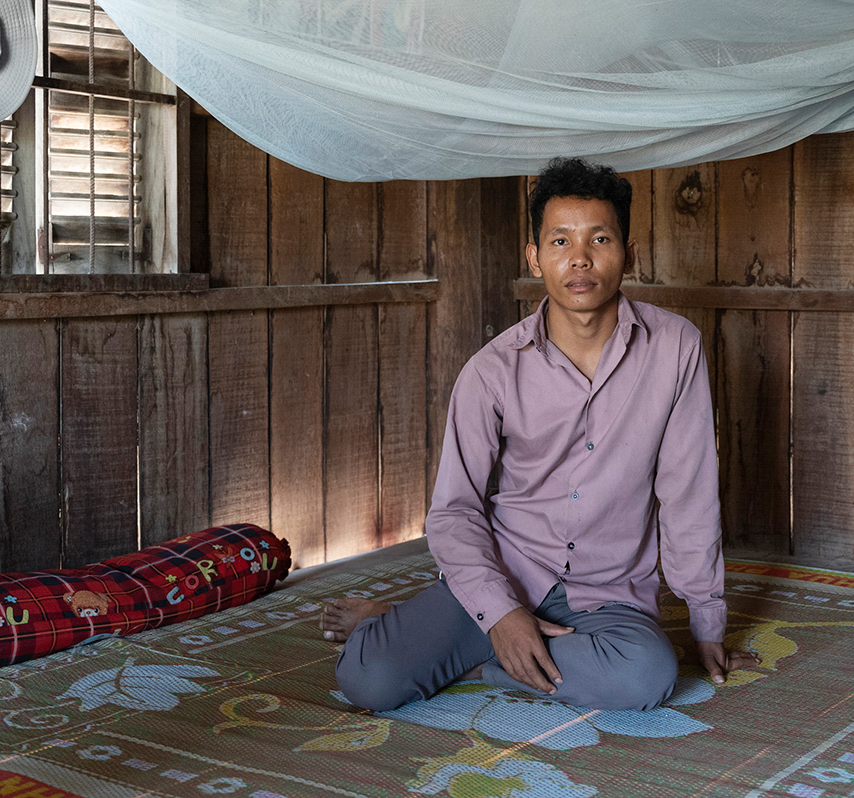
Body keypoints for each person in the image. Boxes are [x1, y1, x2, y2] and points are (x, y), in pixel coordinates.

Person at [321, 157, 760, 713]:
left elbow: (688, 494)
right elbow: (454, 512)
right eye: (559, 241)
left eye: (599, 238)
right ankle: (448, 630)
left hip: (608, 595)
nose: (579, 258)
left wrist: (706, 622)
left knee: (646, 676)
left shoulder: (676, 348)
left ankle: (482, 658)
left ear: (629, 250)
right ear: (534, 257)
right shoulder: (492, 369)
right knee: (370, 681)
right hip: (507, 576)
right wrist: (501, 614)